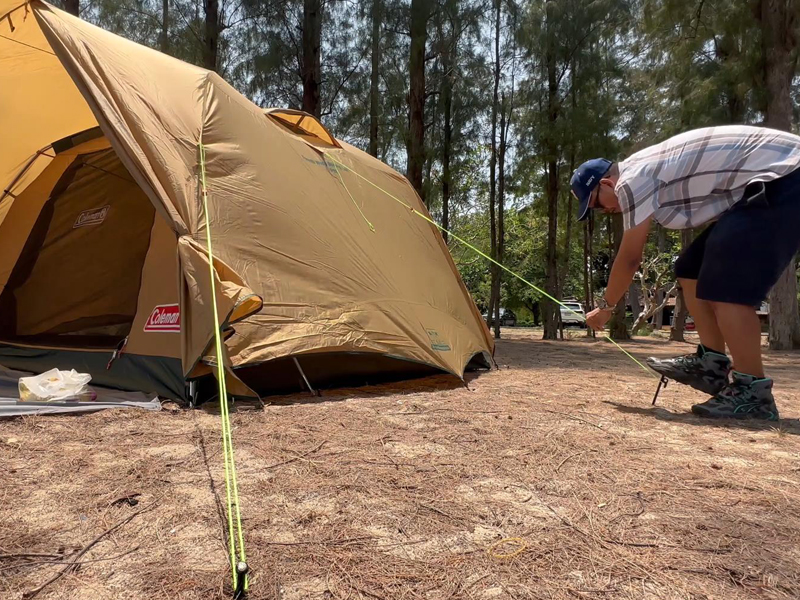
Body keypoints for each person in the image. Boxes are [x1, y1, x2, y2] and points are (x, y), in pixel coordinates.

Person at [571, 125, 800, 421]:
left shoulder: (630, 181)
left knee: (725, 283)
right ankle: (712, 363)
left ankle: (753, 392)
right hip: (773, 180)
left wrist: (605, 308)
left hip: (786, 175)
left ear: (606, 183)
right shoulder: (643, 168)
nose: (605, 211)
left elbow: (630, 259)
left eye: (597, 205)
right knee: (690, 268)